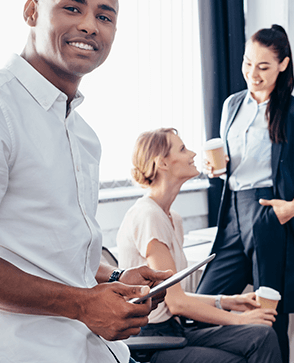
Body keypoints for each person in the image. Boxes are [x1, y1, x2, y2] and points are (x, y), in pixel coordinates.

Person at [0, 0, 172, 363]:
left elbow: (60, 256)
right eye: (72, 8)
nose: (90, 25)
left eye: (104, 16)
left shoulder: (82, 134)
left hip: (97, 352)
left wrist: (117, 279)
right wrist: (82, 305)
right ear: (31, 12)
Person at [116, 128, 283, 363]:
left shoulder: (172, 217)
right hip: (152, 340)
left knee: (262, 335)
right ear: (162, 163)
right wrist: (239, 319)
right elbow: (176, 303)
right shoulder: (148, 216)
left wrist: (227, 301)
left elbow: (175, 295)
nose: (193, 154)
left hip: (174, 330)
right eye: (183, 149)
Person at [197, 24, 294, 363]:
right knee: (201, 303)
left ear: (282, 65)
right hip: (232, 210)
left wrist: (290, 208)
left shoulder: (291, 111)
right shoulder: (231, 105)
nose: (252, 73)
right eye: (247, 63)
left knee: (270, 313)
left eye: (264, 66)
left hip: (269, 212)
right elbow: (229, 161)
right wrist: (217, 170)